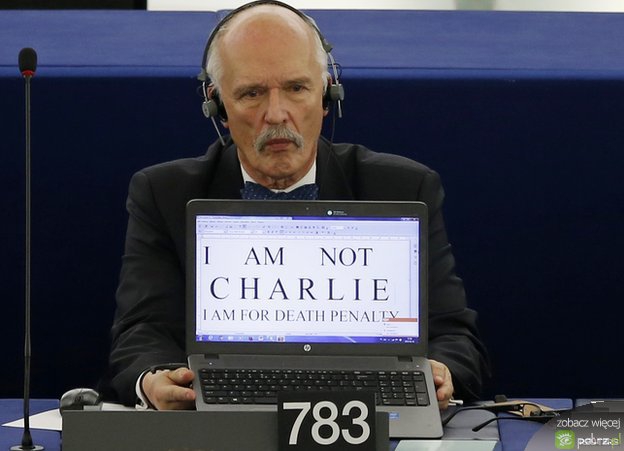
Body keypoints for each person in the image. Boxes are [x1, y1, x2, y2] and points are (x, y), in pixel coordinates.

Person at [103, 0, 488, 412]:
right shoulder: (164, 194)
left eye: (296, 88)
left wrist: (442, 372)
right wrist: (155, 380)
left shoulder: (403, 189)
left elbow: (453, 336)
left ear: (327, 96)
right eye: (251, 93)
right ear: (218, 106)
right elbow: (142, 333)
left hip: (363, 411)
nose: (276, 114)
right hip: (215, 411)